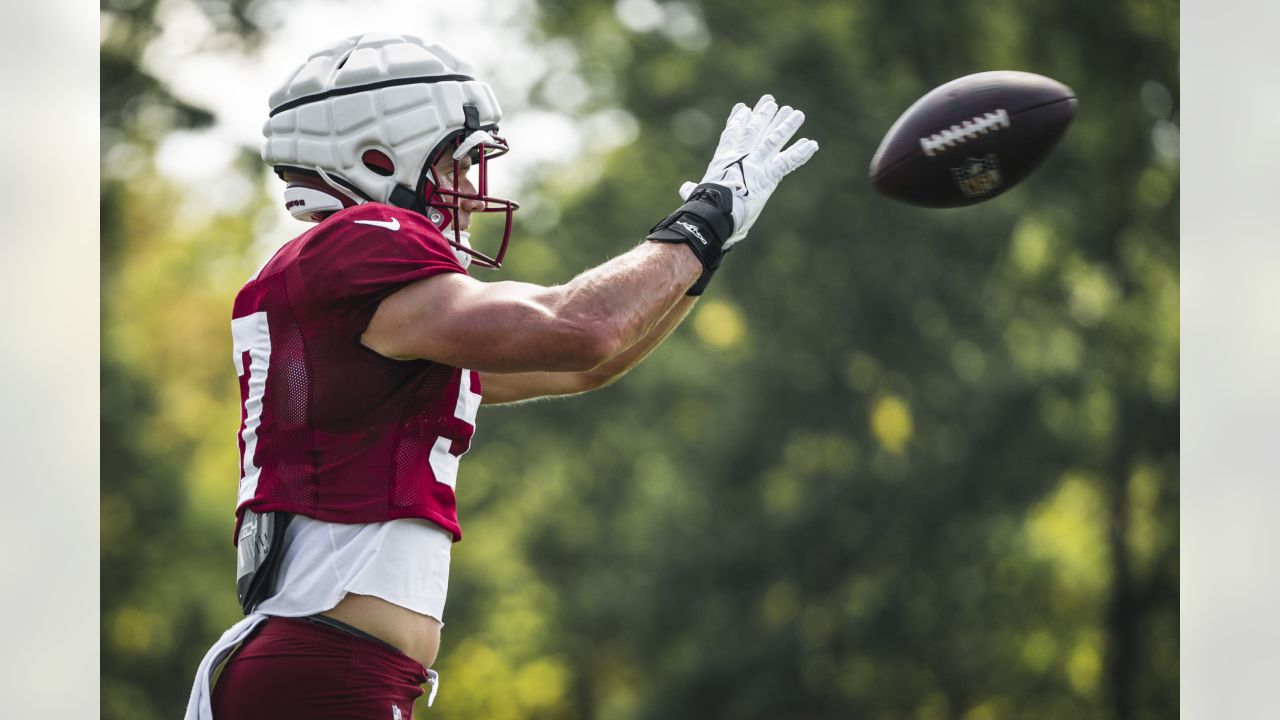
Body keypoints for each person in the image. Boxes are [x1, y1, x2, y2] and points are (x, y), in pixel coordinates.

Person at [184, 31, 818, 719]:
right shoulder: (360, 245)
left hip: (333, 668)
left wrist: (703, 254)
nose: (464, 189)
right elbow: (579, 327)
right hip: (327, 669)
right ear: (376, 154)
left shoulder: (361, 302)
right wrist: (702, 217)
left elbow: (589, 365)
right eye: (455, 165)